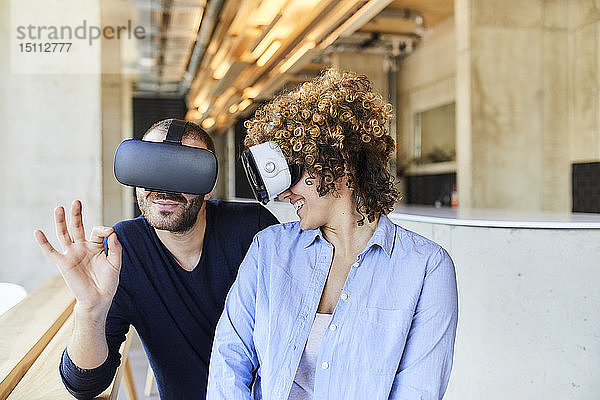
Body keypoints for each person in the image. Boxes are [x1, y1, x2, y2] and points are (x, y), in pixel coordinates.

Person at [207, 69, 458, 399]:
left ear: (336, 162)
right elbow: (229, 359)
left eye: (291, 173)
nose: (283, 195)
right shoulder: (269, 250)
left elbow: (418, 390)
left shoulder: (426, 268)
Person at [34, 119, 279, 399]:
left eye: (185, 171)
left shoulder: (255, 230)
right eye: (152, 168)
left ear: (208, 184)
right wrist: (90, 309)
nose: (165, 188)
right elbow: (85, 384)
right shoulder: (121, 250)